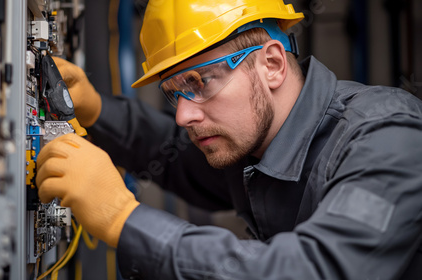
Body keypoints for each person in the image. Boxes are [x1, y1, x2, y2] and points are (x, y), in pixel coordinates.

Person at [36, 0, 422, 279]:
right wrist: (96, 110)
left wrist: (123, 218)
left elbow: (315, 270)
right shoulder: (253, 139)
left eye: (200, 82)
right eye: (175, 92)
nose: (184, 114)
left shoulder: (386, 138)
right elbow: (177, 157)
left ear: (271, 64)